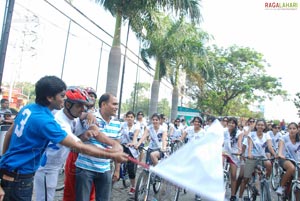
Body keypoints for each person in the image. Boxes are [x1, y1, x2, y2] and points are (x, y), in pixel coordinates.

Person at [0, 76, 128, 201]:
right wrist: (112, 155)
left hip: (14, 170)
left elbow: (9, 134)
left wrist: (5, 157)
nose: (64, 99)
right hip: (30, 174)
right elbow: (78, 146)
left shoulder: (29, 108)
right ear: (50, 98)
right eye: (62, 96)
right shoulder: (49, 121)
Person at [34, 87, 117, 201]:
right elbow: (78, 146)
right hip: (46, 168)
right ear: (68, 105)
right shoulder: (59, 121)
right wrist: (112, 154)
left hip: (56, 166)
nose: (83, 109)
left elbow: (90, 128)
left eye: (84, 106)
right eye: (79, 106)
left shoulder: (74, 117)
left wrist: (89, 120)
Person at [75, 93, 123, 201]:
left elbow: (118, 149)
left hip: (105, 169)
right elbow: (96, 133)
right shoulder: (91, 117)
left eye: (117, 104)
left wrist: (117, 170)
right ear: (104, 104)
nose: (116, 107)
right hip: (85, 168)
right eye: (114, 104)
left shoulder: (117, 124)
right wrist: (114, 144)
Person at [238, 119, 276, 200]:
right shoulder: (251, 134)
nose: (260, 126)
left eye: (262, 125)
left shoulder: (267, 135)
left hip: (262, 157)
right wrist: (249, 154)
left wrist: (275, 155)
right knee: (246, 178)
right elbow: (250, 146)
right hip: (252, 157)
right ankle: (240, 197)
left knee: (269, 164)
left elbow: (269, 147)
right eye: (258, 125)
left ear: (265, 126)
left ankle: (266, 179)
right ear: (256, 126)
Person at [276, 122, 299, 195]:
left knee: (298, 185)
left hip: (297, 161)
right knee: (291, 168)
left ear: (297, 130)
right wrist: (280, 154)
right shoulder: (284, 138)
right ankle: (281, 186)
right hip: (285, 159)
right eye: (290, 128)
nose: (292, 130)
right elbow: (280, 148)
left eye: (294, 128)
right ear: (287, 129)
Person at [222, 117, 243, 201]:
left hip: (234, 154)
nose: (231, 124)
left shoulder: (239, 133)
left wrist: (239, 151)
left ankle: (233, 195)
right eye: (229, 122)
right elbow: (221, 142)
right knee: (220, 167)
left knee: (233, 175)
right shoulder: (224, 131)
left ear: (236, 125)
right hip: (224, 152)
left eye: (233, 123)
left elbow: (239, 144)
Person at [120, 111, 140, 195]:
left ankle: (133, 186)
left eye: (131, 117)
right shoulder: (123, 125)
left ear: (134, 118)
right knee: (117, 159)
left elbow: (135, 136)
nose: (129, 118)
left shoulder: (136, 126)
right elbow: (118, 133)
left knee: (131, 169)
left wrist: (133, 143)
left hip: (132, 148)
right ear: (126, 118)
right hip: (123, 145)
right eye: (128, 117)